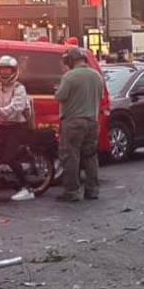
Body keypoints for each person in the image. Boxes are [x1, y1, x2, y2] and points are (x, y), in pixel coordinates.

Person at [0, 55, 35, 202]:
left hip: (18, 126)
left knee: (9, 157)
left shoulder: (19, 88)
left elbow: (16, 107)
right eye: (2, 70)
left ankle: (27, 188)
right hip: (3, 125)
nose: (5, 73)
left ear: (14, 71)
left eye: (8, 70)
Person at [54, 46, 103, 202]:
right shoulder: (96, 76)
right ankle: (92, 190)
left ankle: (72, 191)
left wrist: (56, 90)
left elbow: (61, 96)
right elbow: (100, 96)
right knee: (90, 157)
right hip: (92, 121)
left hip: (73, 122)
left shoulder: (69, 77)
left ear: (70, 60)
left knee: (71, 157)